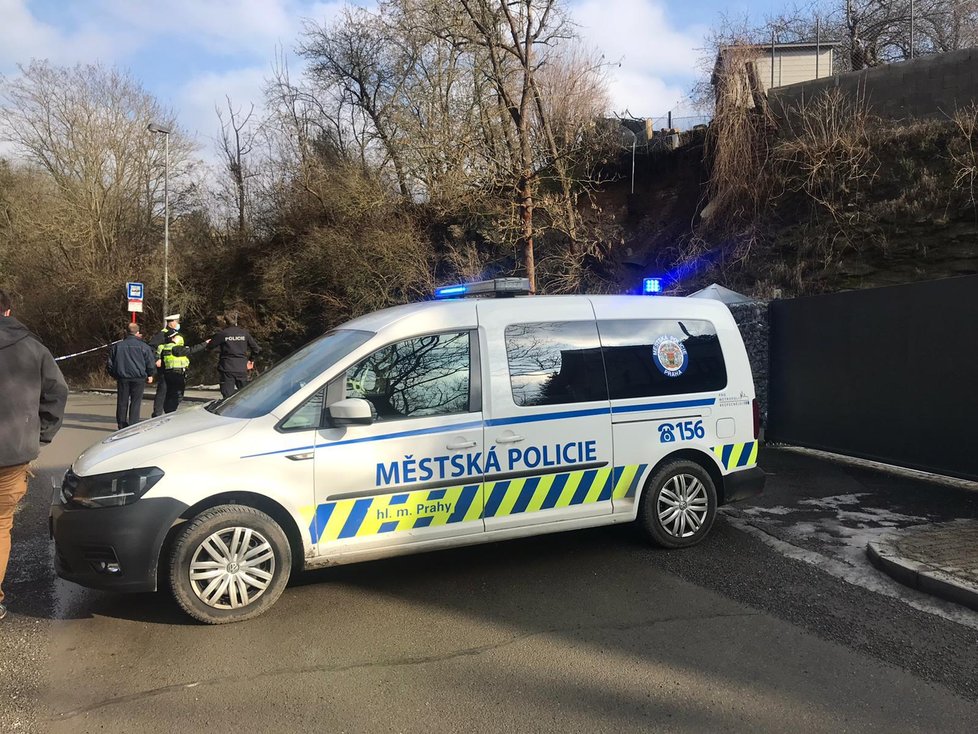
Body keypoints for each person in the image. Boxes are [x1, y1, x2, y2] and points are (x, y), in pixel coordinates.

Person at [0, 288, 68, 621]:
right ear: (8, 312)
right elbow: (57, 392)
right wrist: (40, 436)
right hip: (11, 456)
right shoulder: (33, 348)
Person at [107, 323, 156, 430]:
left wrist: (116, 374)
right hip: (139, 378)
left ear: (126, 332)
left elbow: (110, 364)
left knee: (122, 401)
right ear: (138, 333)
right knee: (136, 401)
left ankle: (121, 424)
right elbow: (150, 362)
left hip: (123, 377)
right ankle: (133, 424)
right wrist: (150, 374)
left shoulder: (117, 346)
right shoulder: (144, 346)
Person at [208, 310, 261, 398]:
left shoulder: (223, 334)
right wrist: (251, 360)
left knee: (227, 397)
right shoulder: (244, 333)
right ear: (236, 320)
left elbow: (210, 346)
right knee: (245, 395)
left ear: (225, 321)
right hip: (241, 367)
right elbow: (256, 349)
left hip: (227, 368)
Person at [157, 328, 207, 414]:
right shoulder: (176, 348)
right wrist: (205, 343)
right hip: (177, 374)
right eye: (176, 336)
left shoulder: (164, 347)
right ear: (172, 338)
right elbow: (192, 350)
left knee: (169, 394)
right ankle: (171, 413)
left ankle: (167, 412)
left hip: (168, 373)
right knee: (177, 396)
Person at [148, 313, 181, 417]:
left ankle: (170, 412)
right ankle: (157, 414)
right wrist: (156, 359)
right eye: (176, 322)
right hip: (164, 368)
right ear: (171, 323)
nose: (177, 323)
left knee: (173, 392)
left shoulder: (176, 334)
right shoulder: (162, 334)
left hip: (174, 367)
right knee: (163, 391)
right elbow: (151, 348)